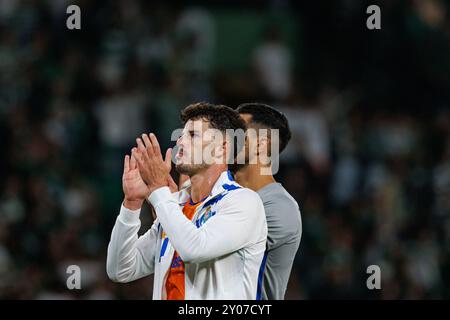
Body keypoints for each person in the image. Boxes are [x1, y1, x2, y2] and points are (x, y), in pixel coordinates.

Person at [106, 102, 267, 300]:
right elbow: (120, 270)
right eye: (181, 136)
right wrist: (132, 203)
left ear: (222, 149)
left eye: (192, 135)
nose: (180, 143)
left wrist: (158, 189)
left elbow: (194, 249)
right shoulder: (175, 206)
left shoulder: (244, 202)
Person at [234, 102, 302, 300]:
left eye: (236, 132)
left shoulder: (280, 207)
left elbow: (213, 251)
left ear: (261, 144)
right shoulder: (221, 194)